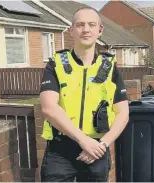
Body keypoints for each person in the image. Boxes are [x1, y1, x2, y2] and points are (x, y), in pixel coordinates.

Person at [39, 6, 129, 182]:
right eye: (80, 25)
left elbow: (123, 113)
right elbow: (49, 107)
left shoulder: (109, 67)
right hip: (60, 149)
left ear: (99, 30)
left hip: (97, 147)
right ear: (71, 30)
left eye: (91, 25)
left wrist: (102, 144)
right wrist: (83, 140)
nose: (86, 29)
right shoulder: (56, 64)